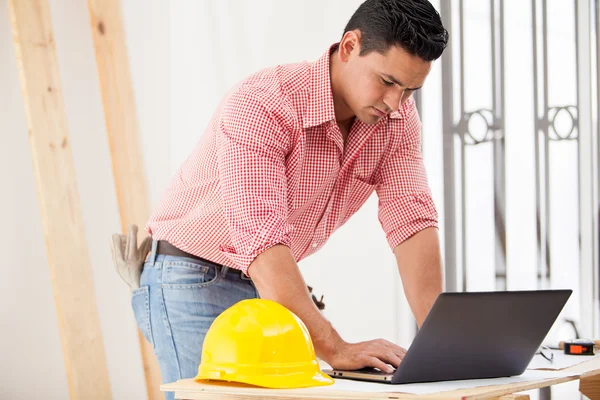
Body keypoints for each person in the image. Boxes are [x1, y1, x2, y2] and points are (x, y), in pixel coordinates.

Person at [125, 0, 448, 395]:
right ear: (349, 46)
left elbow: (411, 219)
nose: (396, 103)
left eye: (410, 90)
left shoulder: (395, 120)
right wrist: (334, 346)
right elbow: (262, 239)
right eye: (387, 81)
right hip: (193, 277)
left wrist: (443, 345)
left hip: (265, 282)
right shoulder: (263, 102)